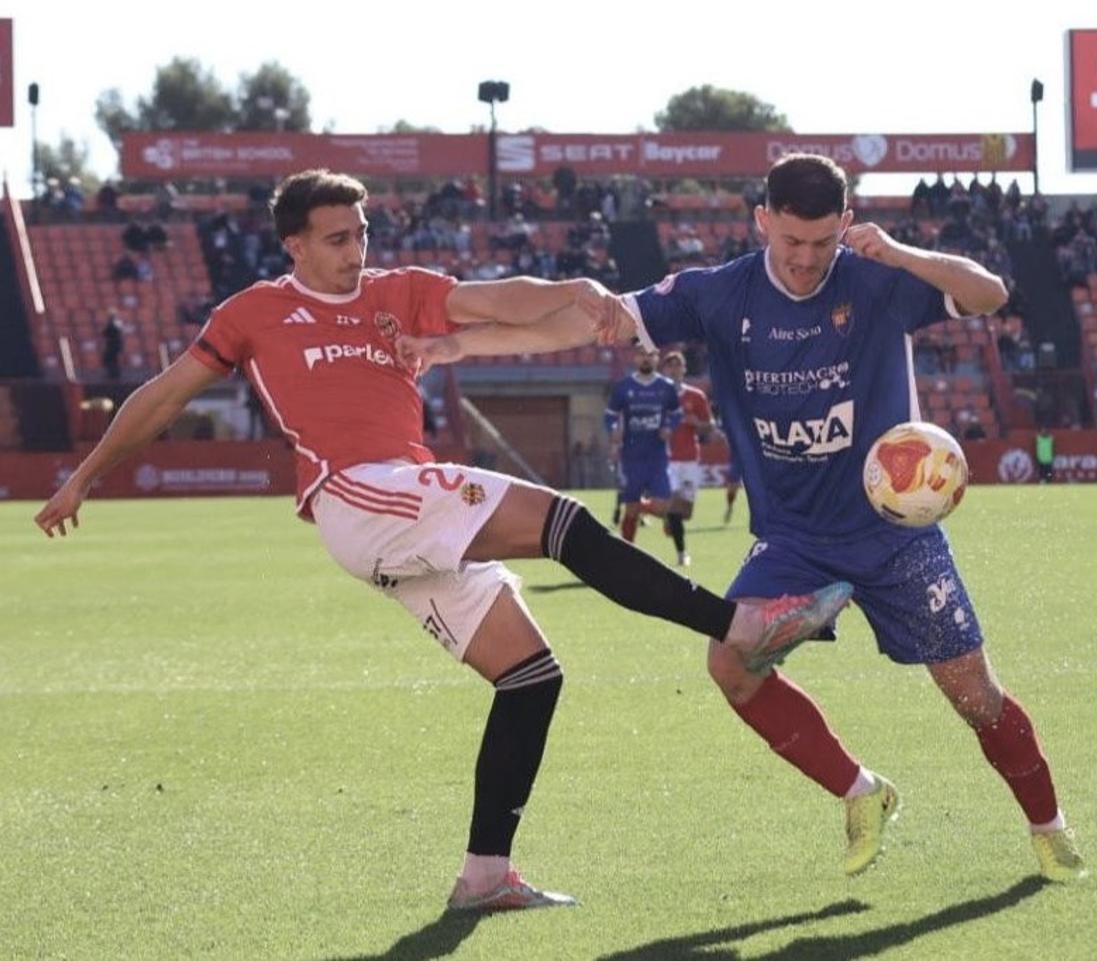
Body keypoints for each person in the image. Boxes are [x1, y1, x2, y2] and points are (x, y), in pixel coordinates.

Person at [34, 168, 851, 914]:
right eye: (335, 238)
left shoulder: (397, 291)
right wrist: (84, 476)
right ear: (294, 245)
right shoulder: (254, 311)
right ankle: (740, 625)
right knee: (563, 522)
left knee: (530, 676)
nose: (354, 251)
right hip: (358, 495)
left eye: (360, 233)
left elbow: (497, 299)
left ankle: (485, 874)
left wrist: (570, 288)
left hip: (407, 505)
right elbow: (164, 395)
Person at [401, 154, 1085, 884]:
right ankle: (863, 791)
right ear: (762, 221)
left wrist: (900, 252)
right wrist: (458, 344)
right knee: (731, 662)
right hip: (794, 538)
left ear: (847, 225)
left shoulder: (878, 281)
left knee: (976, 697)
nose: (806, 259)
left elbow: (989, 293)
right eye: (791, 241)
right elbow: (594, 319)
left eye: (822, 242)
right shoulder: (718, 294)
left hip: (895, 537)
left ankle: (1049, 828)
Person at [605, 346, 680, 544]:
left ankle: (636, 509)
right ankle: (627, 550)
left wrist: (669, 427)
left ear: (656, 358)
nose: (646, 359)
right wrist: (614, 429)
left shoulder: (666, 386)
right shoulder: (624, 387)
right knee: (630, 509)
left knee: (662, 506)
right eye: (641, 355)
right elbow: (610, 416)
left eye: (650, 355)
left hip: (657, 455)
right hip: (631, 456)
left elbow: (676, 414)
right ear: (635, 358)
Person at [660, 350, 715, 566]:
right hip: (666, 460)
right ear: (664, 370)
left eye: (678, 366)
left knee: (685, 511)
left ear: (684, 369)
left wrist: (697, 423)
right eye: (670, 366)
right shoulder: (657, 396)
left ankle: (670, 520)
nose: (674, 370)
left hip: (690, 458)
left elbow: (710, 426)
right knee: (674, 507)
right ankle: (682, 554)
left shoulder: (696, 396)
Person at [101, 311, 127, 382]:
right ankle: (113, 374)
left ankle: (114, 375)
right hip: (114, 345)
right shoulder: (116, 323)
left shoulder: (114, 324)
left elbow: (105, 332)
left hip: (113, 345)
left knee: (111, 360)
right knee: (112, 360)